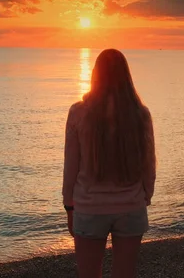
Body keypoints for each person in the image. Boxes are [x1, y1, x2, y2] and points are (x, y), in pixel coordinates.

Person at [62, 48, 157, 278]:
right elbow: (148, 165)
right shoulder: (140, 115)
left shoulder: (78, 113)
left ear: (95, 74)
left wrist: (69, 206)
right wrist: (146, 195)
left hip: (90, 208)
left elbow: (71, 167)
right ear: (127, 76)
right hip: (131, 207)